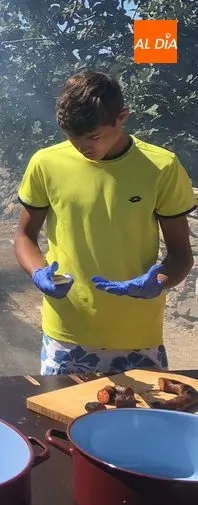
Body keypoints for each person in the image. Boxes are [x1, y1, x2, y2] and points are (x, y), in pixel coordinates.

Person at [14, 71, 195, 376]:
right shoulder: (45, 163)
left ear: (122, 117)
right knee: (60, 420)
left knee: (140, 423)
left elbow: (181, 254)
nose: (82, 148)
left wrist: (160, 282)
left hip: (138, 335)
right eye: (72, 138)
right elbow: (24, 237)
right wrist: (37, 272)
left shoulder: (161, 166)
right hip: (66, 332)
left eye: (93, 137)